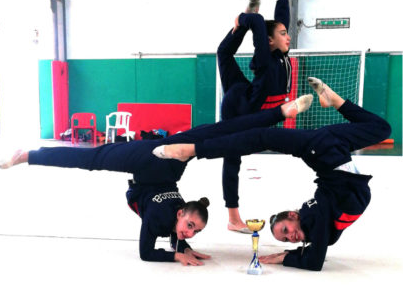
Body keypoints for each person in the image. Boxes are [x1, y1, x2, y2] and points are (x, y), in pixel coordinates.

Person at [0, 94, 313, 266]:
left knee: (217, 134)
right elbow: (153, 250)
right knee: (89, 159)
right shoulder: (174, 213)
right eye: (191, 227)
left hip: (154, 168)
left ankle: (279, 113)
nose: (189, 231)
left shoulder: (166, 219)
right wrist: (179, 249)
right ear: (181, 213)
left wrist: (183, 245)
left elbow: (163, 239)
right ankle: (28, 154)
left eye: (192, 230)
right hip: (156, 158)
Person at [154, 77, 392, 271]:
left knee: (261, 137)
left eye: (286, 231)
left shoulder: (315, 218)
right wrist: (296, 252)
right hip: (332, 151)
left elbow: (314, 262)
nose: (292, 237)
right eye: (287, 239)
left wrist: (285, 257)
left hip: (321, 150)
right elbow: (315, 255)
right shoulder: (320, 229)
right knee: (382, 129)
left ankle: (192, 150)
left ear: (293, 214)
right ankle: (334, 100)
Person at [217, 0, 292, 233]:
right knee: (232, 158)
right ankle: (233, 218)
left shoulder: (281, 54)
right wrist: (245, 19)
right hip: (241, 108)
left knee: (223, 54)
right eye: (283, 34)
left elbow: (279, 17)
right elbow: (261, 24)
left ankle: (238, 27)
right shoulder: (265, 59)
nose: (288, 37)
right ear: (269, 42)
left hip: (247, 94)